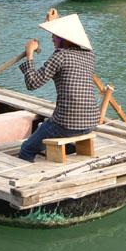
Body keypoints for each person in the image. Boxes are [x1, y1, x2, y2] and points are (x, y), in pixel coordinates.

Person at [18, 9, 98, 162]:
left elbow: (32, 83)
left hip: (66, 122)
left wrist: (30, 54)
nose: (52, 39)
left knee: (26, 149)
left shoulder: (60, 55)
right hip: (90, 121)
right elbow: (76, 37)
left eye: (54, 36)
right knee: (49, 130)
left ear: (63, 39)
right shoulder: (90, 54)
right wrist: (54, 22)